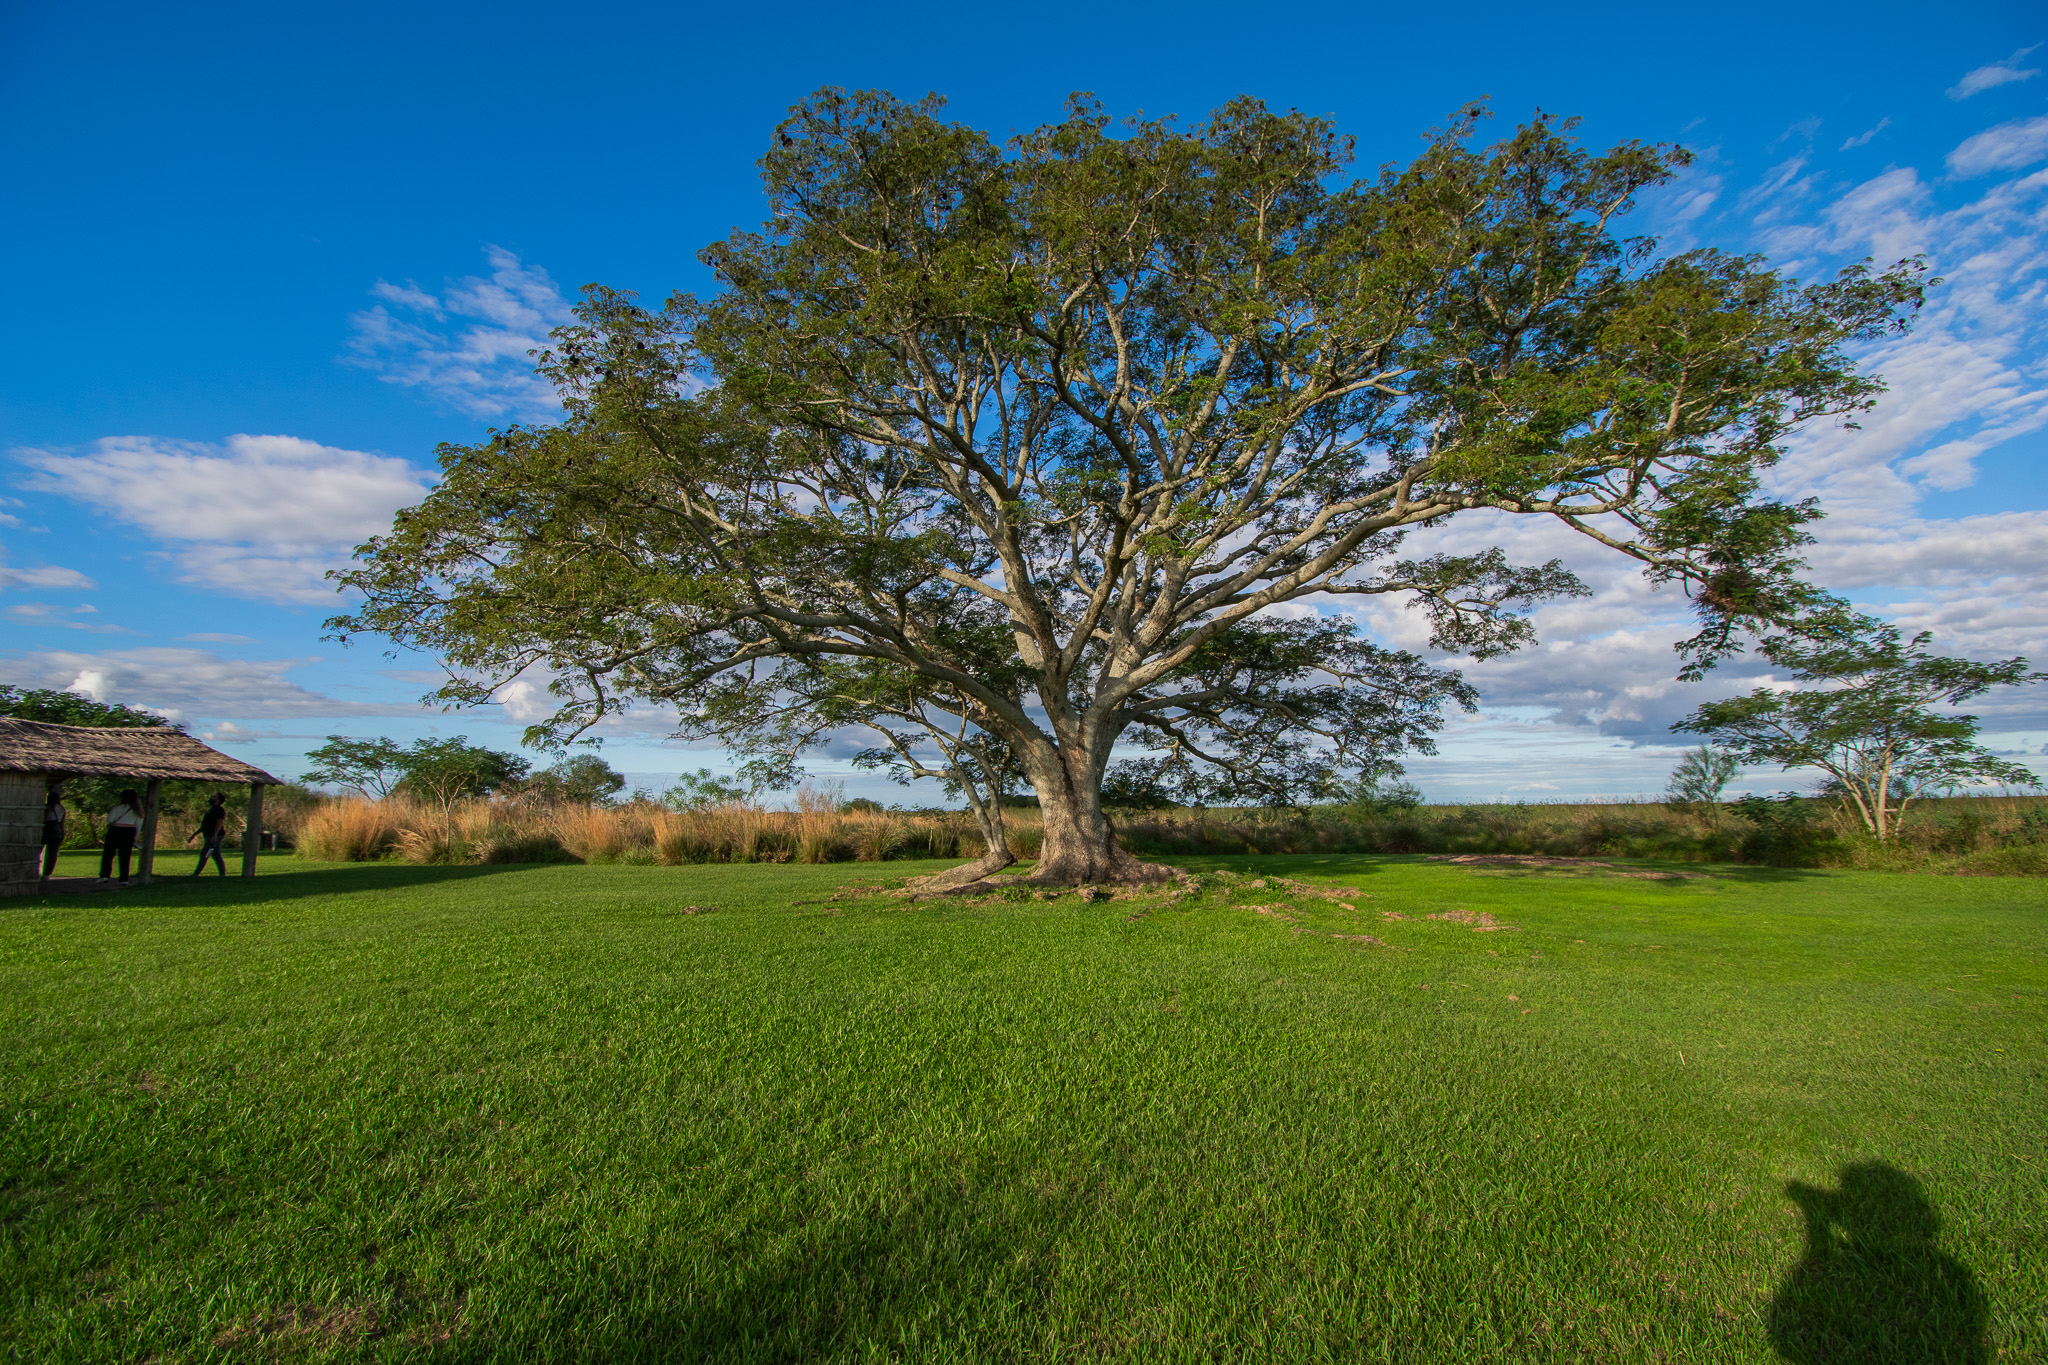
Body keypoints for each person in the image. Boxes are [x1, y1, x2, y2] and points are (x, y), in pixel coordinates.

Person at [98, 789, 144, 886]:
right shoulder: (137, 810)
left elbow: (109, 819)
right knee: (125, 856)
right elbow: (138, 824)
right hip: (129, 832)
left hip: (115, 830)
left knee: (108, 854)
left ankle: (104, 875)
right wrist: (135, 836)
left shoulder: (117, 808)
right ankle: (124, 878)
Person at [190, 793, 229, 877]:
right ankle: (222, 874)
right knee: (215, 854)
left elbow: (220, 822)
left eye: (214, 796)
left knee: (205, 853)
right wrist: (194, 835)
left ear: (218, 800)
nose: (211, 797)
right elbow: (204, 825)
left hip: (214, 836)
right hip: (209, 835)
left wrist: (215, 835)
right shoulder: (211, 809)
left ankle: (196, 873)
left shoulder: (219, 809)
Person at [40, 788, 66, 885]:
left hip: (47, 830)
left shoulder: (48, 807)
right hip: (57, 831)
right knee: (52, 854)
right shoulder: (61, 808)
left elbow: (44, 818)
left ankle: (35, 868)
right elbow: (62, 822)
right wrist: (62, 833)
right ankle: (47, 873)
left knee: (38, 850)